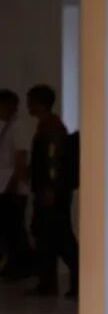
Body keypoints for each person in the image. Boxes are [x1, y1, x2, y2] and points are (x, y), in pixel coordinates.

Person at [26, 84, 78, 298]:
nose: (28, 105)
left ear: (40, 103)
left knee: (61, 238)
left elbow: (52, 162)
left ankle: (77, 282)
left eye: (31, 101)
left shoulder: (52, 128)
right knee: (46, 237)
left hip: (52, 192)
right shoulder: (47, 126)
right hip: (49, 190)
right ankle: (47, 283)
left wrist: (50, 189)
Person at [0, 88, 34, 280]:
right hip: (5, 185)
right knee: (9, 229)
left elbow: (21, 157)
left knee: (14, 229)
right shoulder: (7, 126)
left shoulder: (18, 127)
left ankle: (21, 266)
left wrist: (13, 185)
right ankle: (14, 265)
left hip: (13, 187)